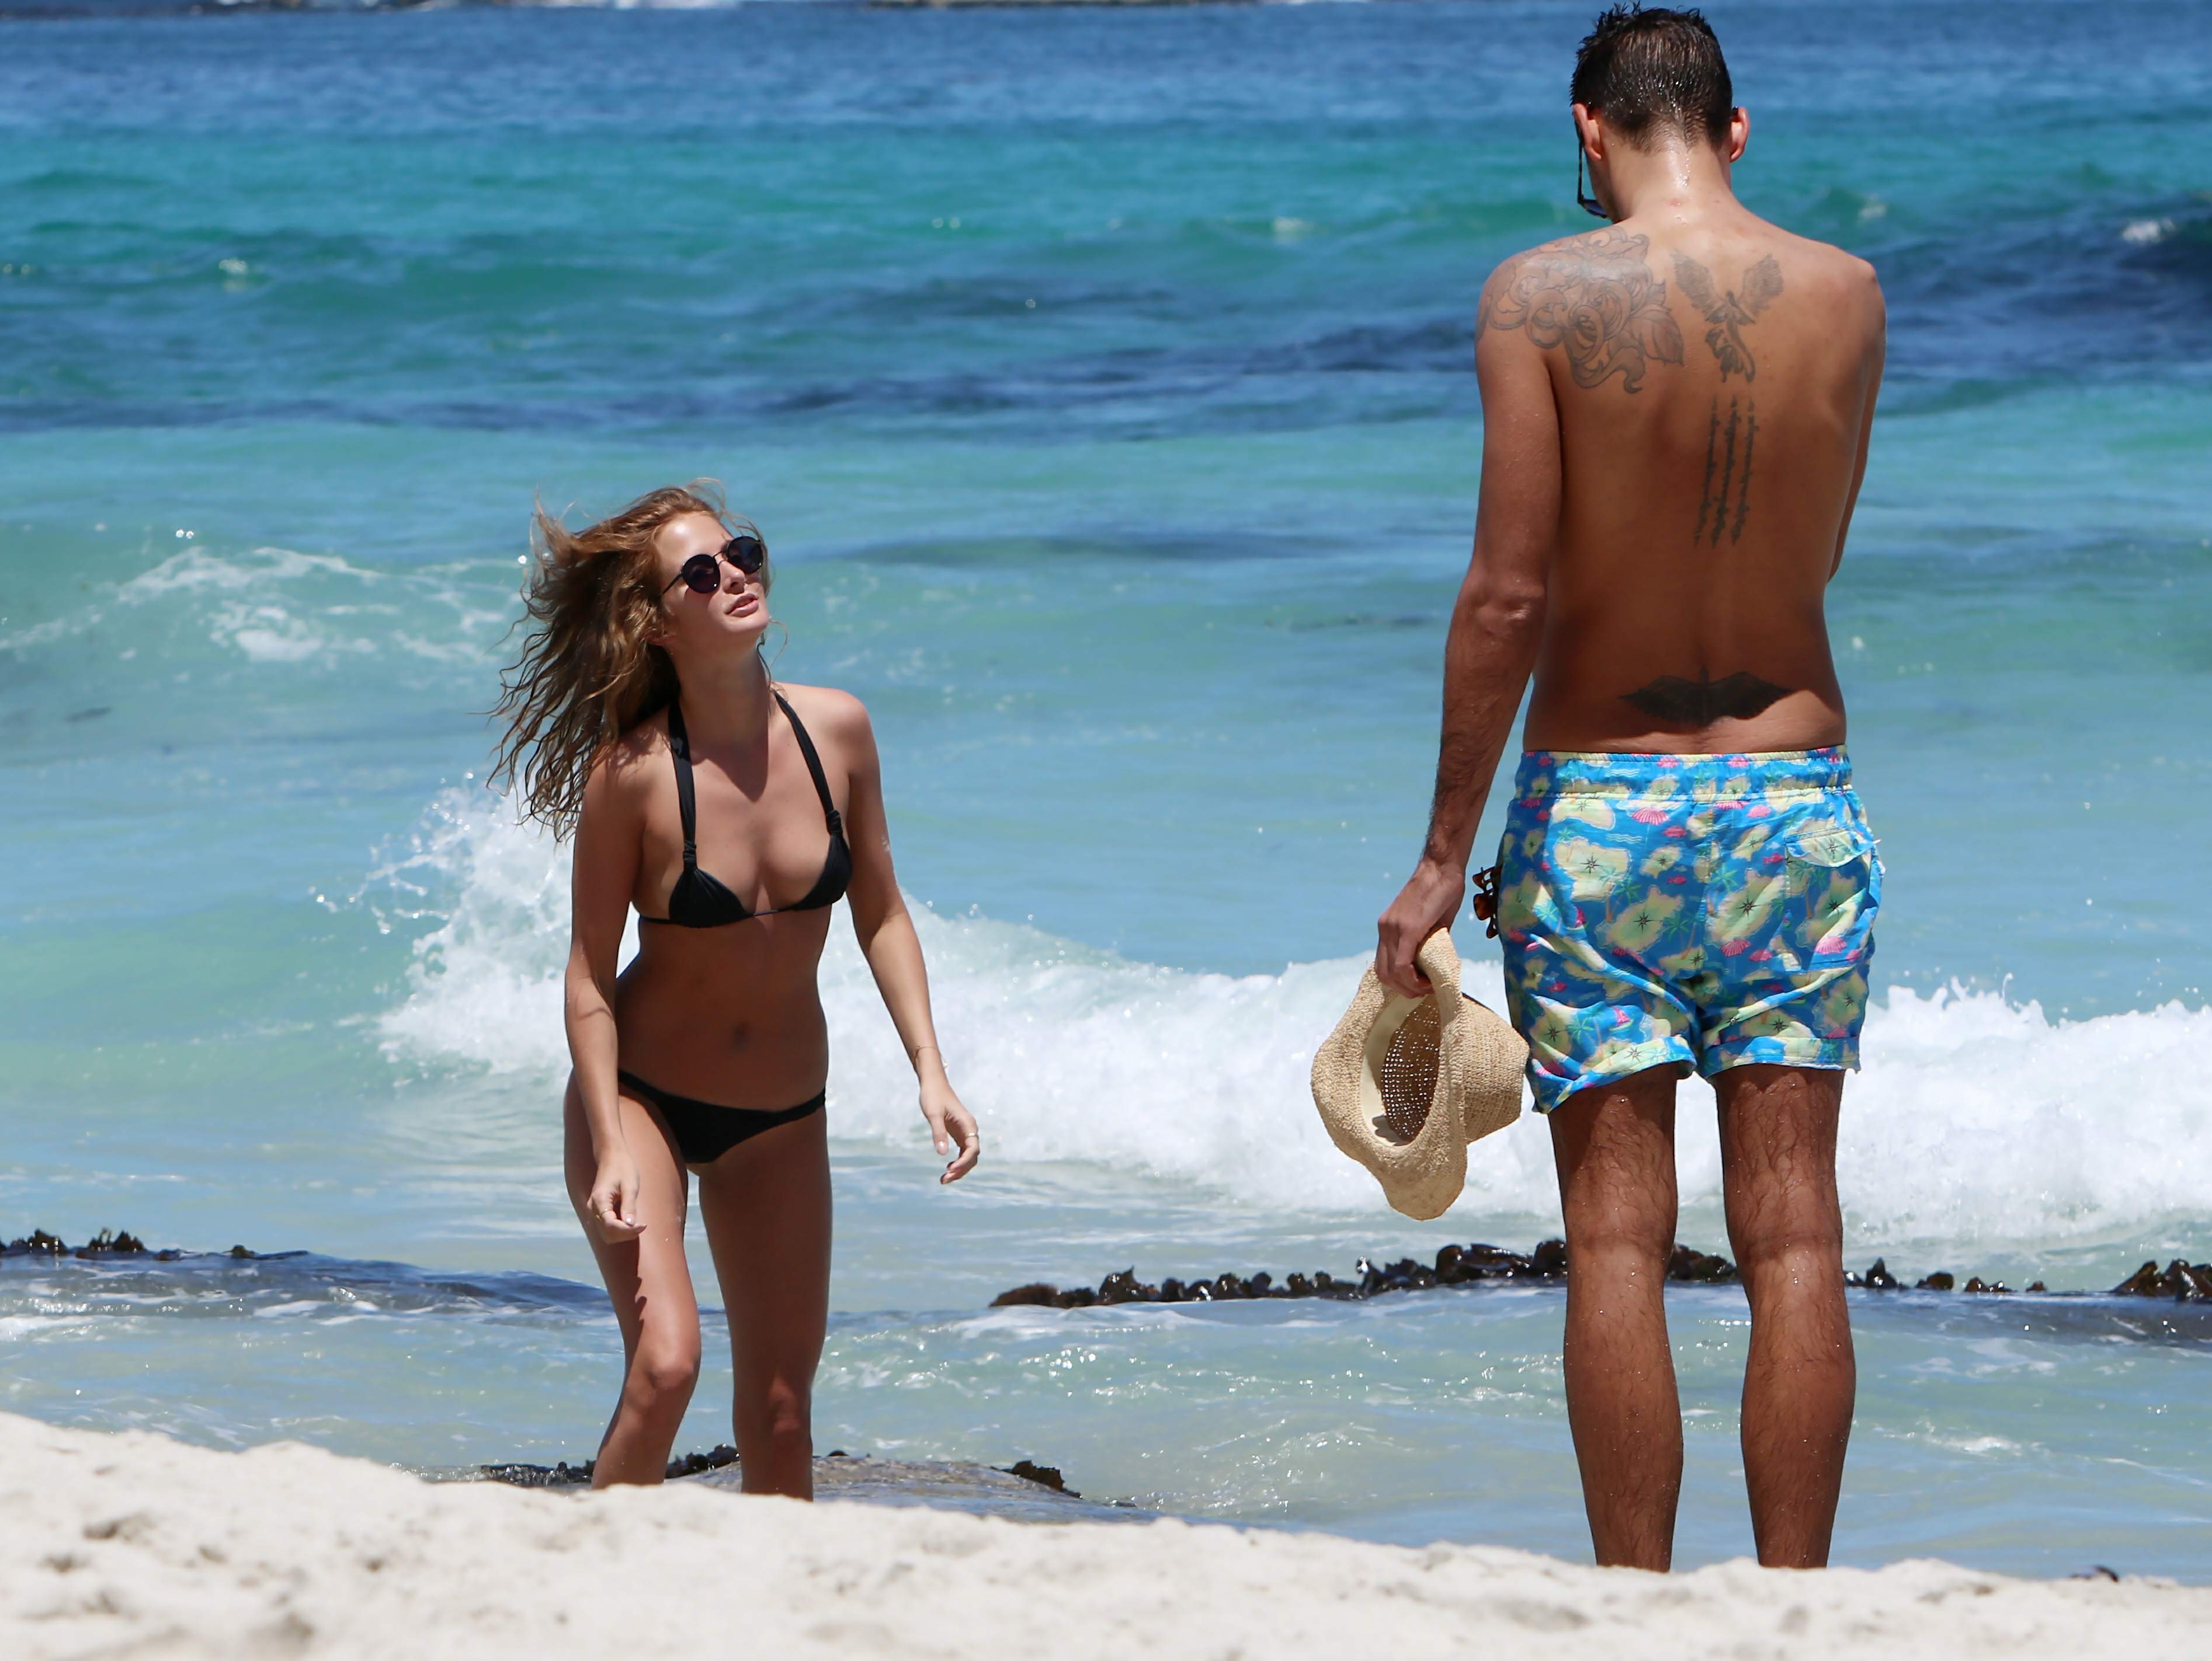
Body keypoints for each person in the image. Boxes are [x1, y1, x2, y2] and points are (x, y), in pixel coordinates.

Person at [1374, 7, 1885, 1571]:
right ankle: (1794, 1611)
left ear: (1587, 131)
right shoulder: (1847, 294)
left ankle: (1635, 1614)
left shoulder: (1535, 296)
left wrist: (1440, 855)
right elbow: (1811, 547)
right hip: (1789, 801)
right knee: (1793, 1232)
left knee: (1613, 1238)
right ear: (1733, 130)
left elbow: (1508, 595)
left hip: (1599, 812)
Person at [491, 484, 980, 1495]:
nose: (737, 577)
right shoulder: (631, 775)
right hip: (645, 1102)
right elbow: (589, 975)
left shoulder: (837, 731)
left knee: (783, 1412)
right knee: (667, 1365)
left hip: (782, 1118)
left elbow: (882, 913)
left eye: (743, 553)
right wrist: (610, 1140)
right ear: (657, 624)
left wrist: (931, 1073)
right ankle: (584, 1570)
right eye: (702, 573)